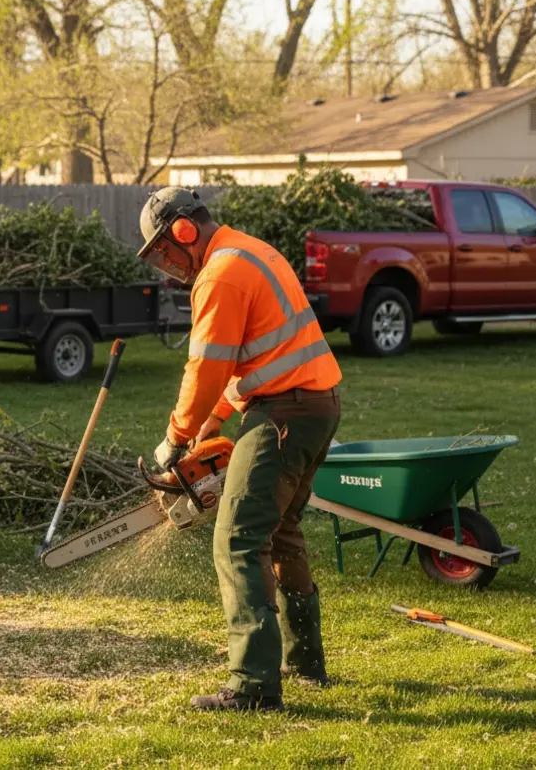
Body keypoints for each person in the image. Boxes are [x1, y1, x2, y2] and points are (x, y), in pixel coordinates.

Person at [135, 186, 343, 712]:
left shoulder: (220, 273)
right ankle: (305, 663)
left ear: (183, 230)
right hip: (316, 405)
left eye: (164, 251)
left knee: (237, 541)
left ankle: (253, 685)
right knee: (282, 530)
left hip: (283, 415)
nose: (167, 266)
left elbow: (207, 366)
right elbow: (258, 358)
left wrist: (177, 437)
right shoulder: (251, 250)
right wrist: (213, 424)